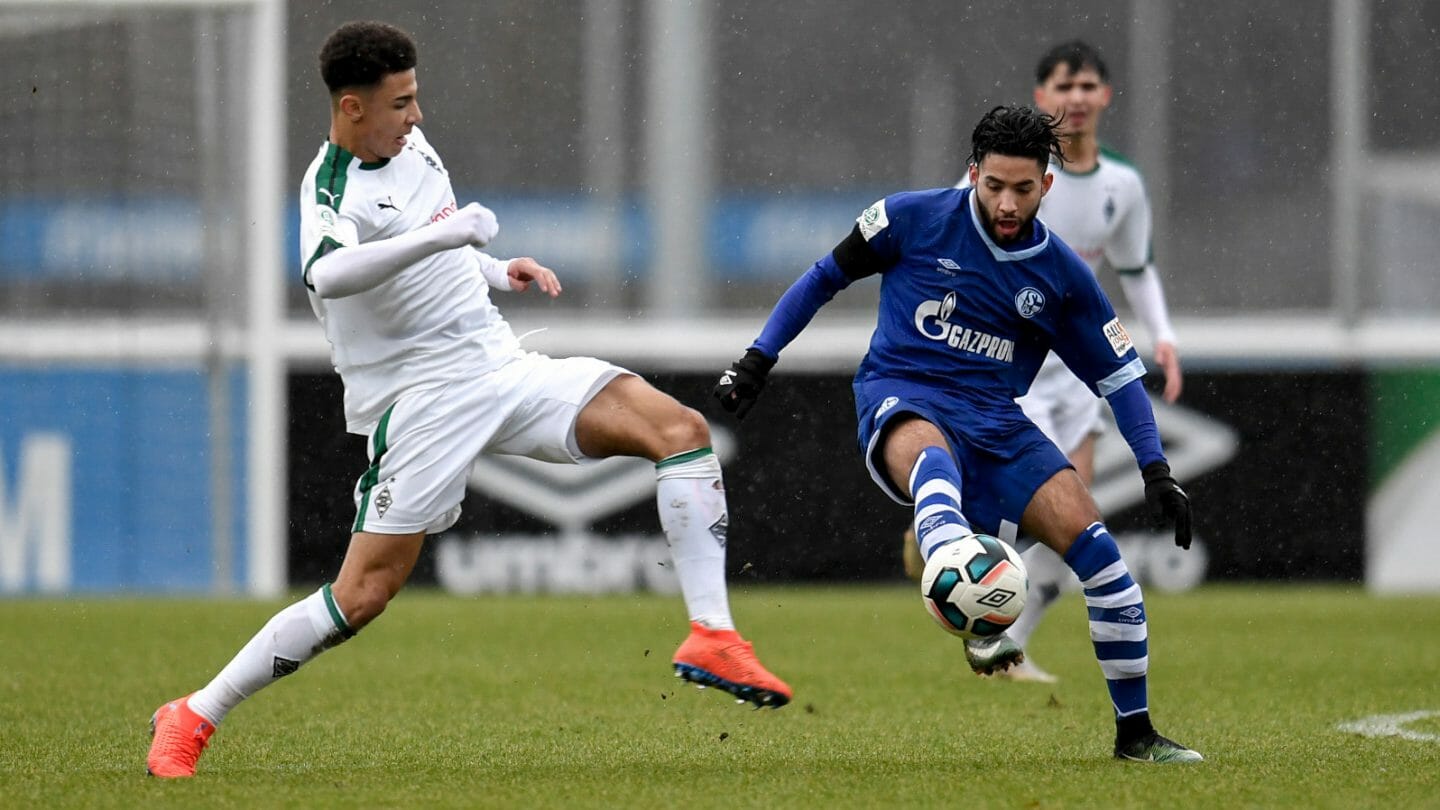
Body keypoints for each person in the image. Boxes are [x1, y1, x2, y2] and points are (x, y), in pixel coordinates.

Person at [146, 20, 790, 779]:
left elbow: (437, 240)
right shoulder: (330, 185)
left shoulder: (411, 146)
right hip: (421, 403)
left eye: (417, 98)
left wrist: (491, 267)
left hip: (497, 364)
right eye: (401, 102)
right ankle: (193, 714)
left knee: (678, 429)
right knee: (362, 595)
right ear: (352, 108)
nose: (416, 115)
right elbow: (327, 273)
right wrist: (447, 240)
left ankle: (712, 633)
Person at [715, 104, 1202, 763]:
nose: (1006, 201)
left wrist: (1156, 470)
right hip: (900, 394)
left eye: (1022, 189)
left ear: (1046, 187)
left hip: (997, 422)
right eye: (993, 185)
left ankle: (1136, 734)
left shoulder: (1061, 276)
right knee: (933, 462)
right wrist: (757, 359)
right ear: (972, 172)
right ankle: (961, 578)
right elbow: (824, 277)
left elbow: (1117, 379)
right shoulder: (910, 218)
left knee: (1106, 563)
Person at [900, 40, 1184, 685]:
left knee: (1075, 515)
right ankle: (952, 536)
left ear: (1105, 96)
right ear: (1043, 99)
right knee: (1023, 512)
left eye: (1088, 86)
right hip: (1007, 370)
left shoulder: (1122, 186)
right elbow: (944, 240)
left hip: (1077, 372)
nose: (1077, 98)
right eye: (1064, 87)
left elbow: (1138, 271)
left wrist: (1161, 336)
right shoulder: (1004, 177)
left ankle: (1002, 638)